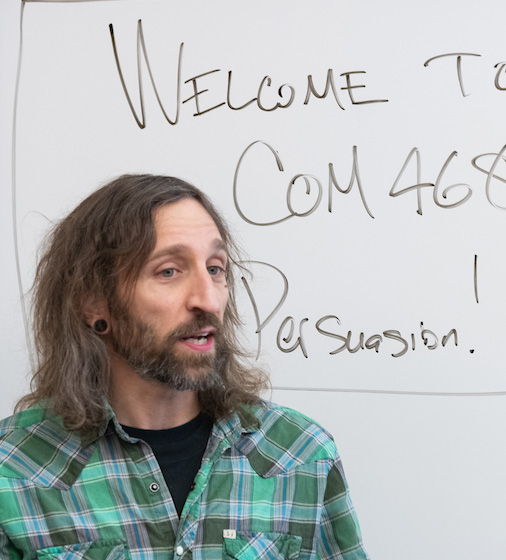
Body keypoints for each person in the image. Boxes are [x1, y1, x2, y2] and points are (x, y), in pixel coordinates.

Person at [0, 174, 368, 560]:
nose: (207, 299)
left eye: (215, 268)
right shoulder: (14, 472)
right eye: (169, 271)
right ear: (94, 303)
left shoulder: (301, 457)